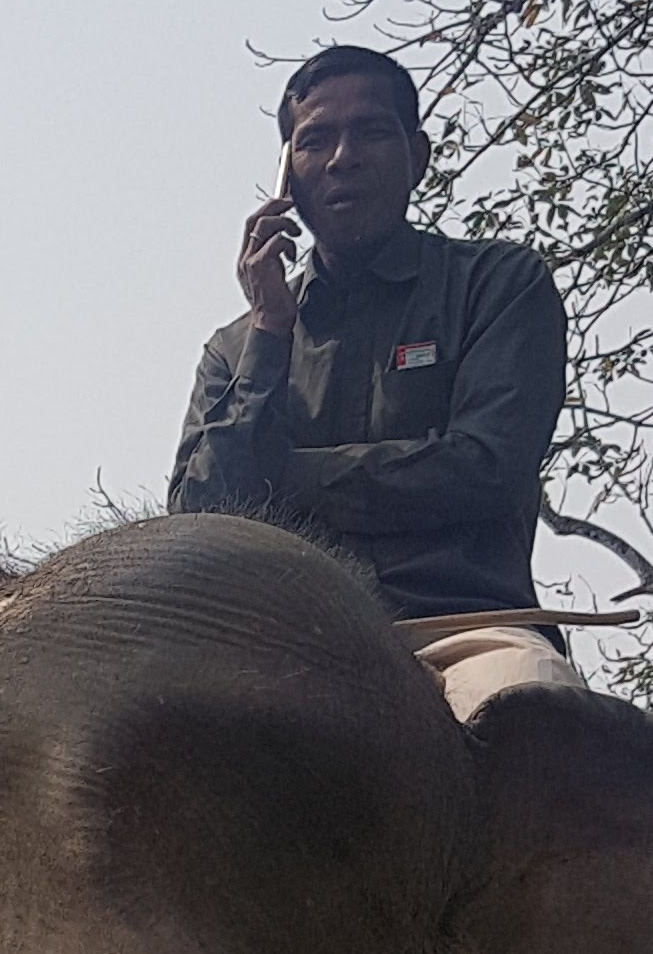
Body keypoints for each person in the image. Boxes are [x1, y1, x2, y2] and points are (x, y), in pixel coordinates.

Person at [168, 44, 576, 710]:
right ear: (286, 181)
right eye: (315, 140)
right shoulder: (236, 348)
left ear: (417, 158)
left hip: (461, 629)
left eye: (372, 132)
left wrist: (282, 479)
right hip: (272, 642)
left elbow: (484, 467)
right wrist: (271, 330)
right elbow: (200, 517)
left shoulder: (498, 286)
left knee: (533, 700)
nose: (343, 157)